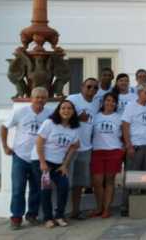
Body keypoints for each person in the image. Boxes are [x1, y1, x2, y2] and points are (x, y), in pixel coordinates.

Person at [1, 86, 51, 229]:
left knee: (36, 188)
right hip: (20, 156)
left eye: (43, 97)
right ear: (31, 98)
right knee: (18, 188)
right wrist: (5, 146)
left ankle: (32, 215)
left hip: (38, 158)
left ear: (46, 99)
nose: (40, 100)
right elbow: (4, 127)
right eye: (37, 97)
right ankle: (16, 218)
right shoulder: (21, 112)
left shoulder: (50, 114)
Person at [33, 100, 80, 228]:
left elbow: (75, 146)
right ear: (58, 110)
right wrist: (42, 163)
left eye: (69, 108)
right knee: (46, 190)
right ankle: (48, 218)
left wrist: (65, 164)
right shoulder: (49, 123)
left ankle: (59, 216)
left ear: (73, 111)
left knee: (64, 186)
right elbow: (39, 142)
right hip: (42, 161)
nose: (66, 111)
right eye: (63, 108)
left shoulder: (74, 128)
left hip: (59, 164)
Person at [120, 84, 146, 216]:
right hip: (135, 146)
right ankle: (126, 206)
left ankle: (144, 206)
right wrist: (128, 145)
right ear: (139, 93)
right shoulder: (131, 106)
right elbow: (125, 126)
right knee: (132, 177)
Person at [66, 78, 99, 220]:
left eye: (95, 88)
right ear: (82, 86)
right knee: (65, 182)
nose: (92, 89)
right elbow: (61, 117)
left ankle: (75, 211)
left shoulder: (96, 103)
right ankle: (60, 212)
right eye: (89, 86)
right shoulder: (72, 99)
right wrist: (77, 118)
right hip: (70, 148)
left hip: (86, 148)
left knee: (78, 183)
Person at [89, 93, 124, 218]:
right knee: (97, 182)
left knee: (109, 181)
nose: (110, 103)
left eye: (113, 101)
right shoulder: (95, 117)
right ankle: (99, 207)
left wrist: (123, 150)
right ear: (103, 102)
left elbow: (124, 135)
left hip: (114, 151)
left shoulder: (119, 117)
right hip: (97, 152)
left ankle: (106, 209)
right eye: (108, 100)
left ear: (116, 104)